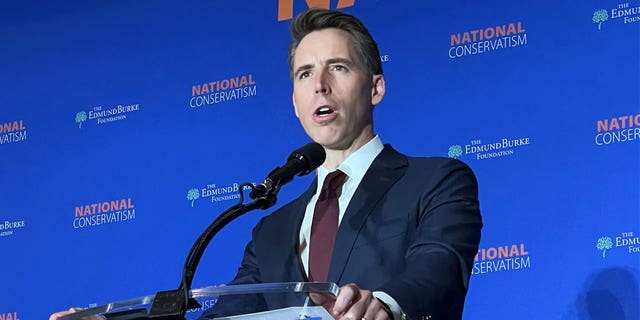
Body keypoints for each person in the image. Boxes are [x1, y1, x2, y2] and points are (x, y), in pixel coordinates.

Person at [51, 7, 481, 320]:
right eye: (305, 74)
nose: (321, 86)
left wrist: (383, 304)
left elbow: (438, 268)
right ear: (295, 103)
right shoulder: (272, 229)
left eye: (338, 68)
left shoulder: (438, 180)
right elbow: (226, 318)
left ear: (376, 88)